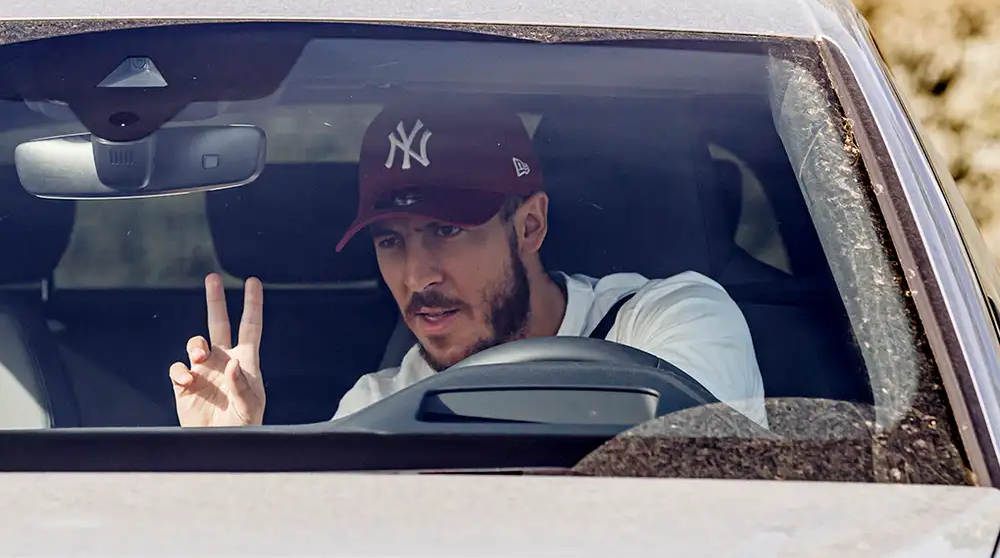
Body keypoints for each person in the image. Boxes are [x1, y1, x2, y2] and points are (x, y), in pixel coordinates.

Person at [169, 102, 769, 429]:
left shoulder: (674, 321)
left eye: (446, 231)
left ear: (530, 225)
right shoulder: (379, 402)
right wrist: (231, 455)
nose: (417, 277)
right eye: (390, 241)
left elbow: (697, 486)